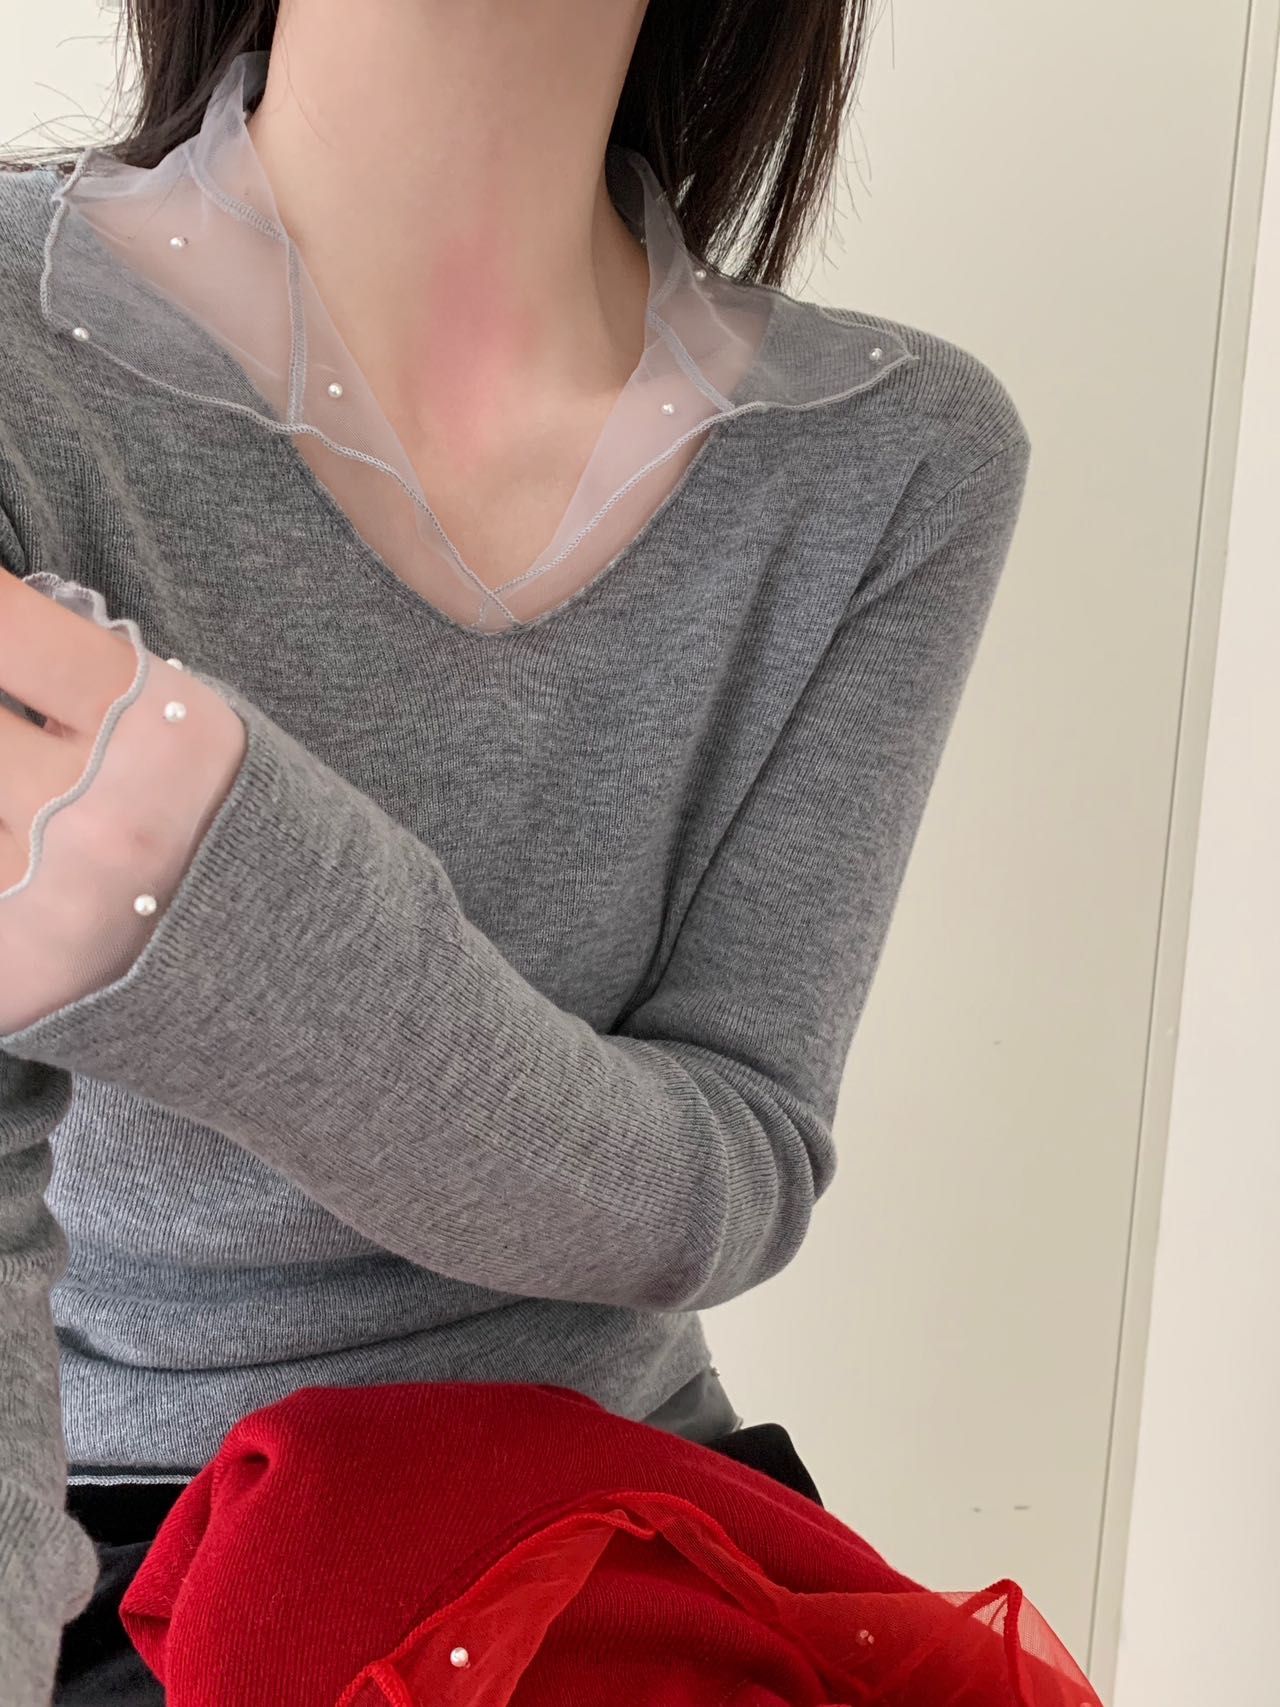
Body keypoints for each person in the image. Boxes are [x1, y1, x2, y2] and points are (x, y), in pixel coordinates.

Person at [0, 1, 1033, 1702]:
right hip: (116, 1567)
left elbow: (731, 1173)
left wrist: (232, 908)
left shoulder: (895, 455)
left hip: (631, 1541)